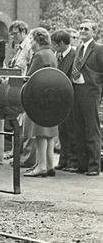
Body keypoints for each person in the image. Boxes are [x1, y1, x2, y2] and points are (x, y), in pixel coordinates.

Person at [23, 28, 59, 177]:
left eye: (31, 39)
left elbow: (30, 77)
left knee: (39, 133)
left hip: (39, 98)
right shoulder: (50, 53)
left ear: (38, 40)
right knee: (49, 133)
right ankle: (50, 165)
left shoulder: (39, 55)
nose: (30, 42)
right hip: (52, 98)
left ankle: (41, 167)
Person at [70, 20, 103, 176]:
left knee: (92, 129)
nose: (82, 31)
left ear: (94, 33)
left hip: (90, 92)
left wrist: (98, 91)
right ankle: (82, 165)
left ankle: (93, 166)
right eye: (81, 28)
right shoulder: (78, 49)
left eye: (86, 29)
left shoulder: (98, 49)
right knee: (79, 129)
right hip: (76, 90)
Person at [7, 21, 35, 167]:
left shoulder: (29, 47)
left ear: (24, 32)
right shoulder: (19, 48)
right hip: (18, 89)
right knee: (19, 122)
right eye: (11, 35)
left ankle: (26, 156)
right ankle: (18, 153)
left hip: (25, 88)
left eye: (15, 34)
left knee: (24, 124)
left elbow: (30, 67)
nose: (13, 37)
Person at [51, 29, 78, 171]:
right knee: (62, 130)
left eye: (55, 44)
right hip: (62, 98)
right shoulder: (58, 56)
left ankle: (73, 161)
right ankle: (64, 159)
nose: (53, 47)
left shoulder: (74, 55)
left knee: (71, 130)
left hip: (71, 97)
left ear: (61, 43)